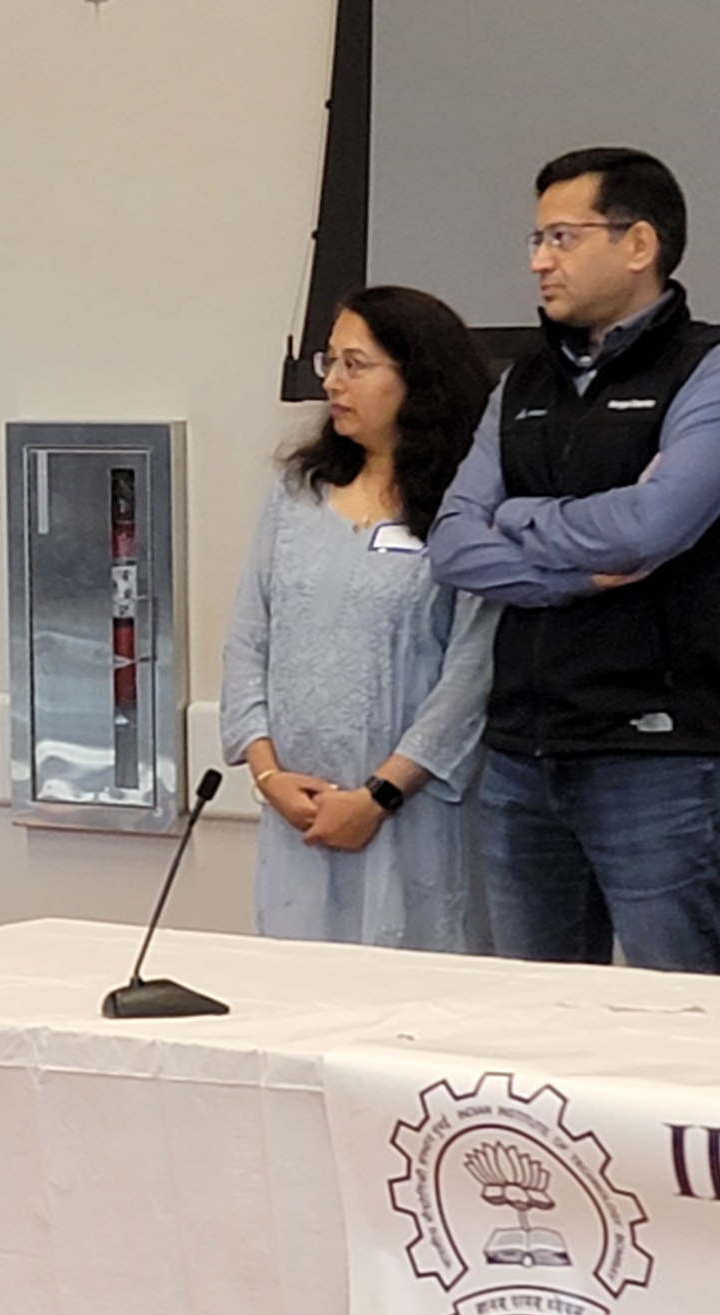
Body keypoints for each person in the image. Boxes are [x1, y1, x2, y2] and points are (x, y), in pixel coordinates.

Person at [429, 147, 720, 976]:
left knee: (679, 1014)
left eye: (562, 237)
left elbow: (650, 528)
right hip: (520, 755)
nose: (538, 261)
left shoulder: (719, 366)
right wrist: (576, 573)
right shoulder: (523, 381)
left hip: (652, 756)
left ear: (638, 244)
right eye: (535, 239)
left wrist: (517, 517)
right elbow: (451, 543)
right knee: (536, 1027)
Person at [221, 286, 498, 949]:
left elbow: (472, 672)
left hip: (414, 815)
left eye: (355, 364)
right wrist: (268, 775)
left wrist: (379, 796)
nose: (332, 383)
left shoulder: (468, 505)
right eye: (330, 362)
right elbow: (248, 638)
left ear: (418, 380)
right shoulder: (297, 494)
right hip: (298, 817)